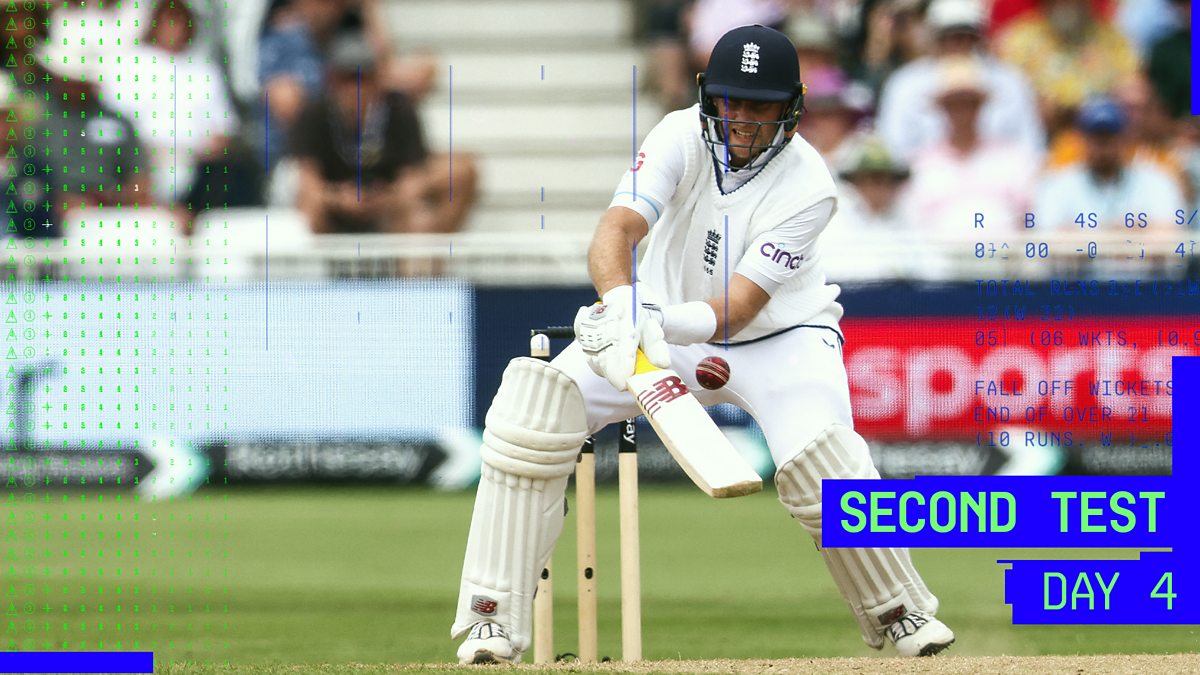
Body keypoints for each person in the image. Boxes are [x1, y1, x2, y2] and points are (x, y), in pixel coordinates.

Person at [451, 24, 955, 664]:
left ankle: (901, 611)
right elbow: (615, 230)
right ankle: (491, 619)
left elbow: (740, 309)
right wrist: (622, 304)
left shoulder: (810, 186)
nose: (740, 119)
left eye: (759, 107)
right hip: (654, 327)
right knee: (534, 407)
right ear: (707, 95)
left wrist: (654, 321)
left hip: (783, 341)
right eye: (730, 101)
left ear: (792, 109)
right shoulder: (677, 134)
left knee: (824, 464)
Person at [292, 35, 434, 234]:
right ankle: (317, 254)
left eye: (364, 78)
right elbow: (308, 179)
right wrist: (338, 199)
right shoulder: (314, 113)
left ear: (378, 81)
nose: (355, 88)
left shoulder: (400, 109)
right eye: (346, 78)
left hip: (386, 203)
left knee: (416, 206)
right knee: (310, 205)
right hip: (334, 203)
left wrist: (385, 199)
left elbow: (412, 178)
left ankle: (414, 255)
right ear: (331, 81)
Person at [875, 0, 1044, 163]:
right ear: (934, 39)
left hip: (1000, 175)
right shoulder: (905, 84)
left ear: (978, 37)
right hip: (927, 177)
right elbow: (892, 148)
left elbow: (1030, 146)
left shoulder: (1009, 81)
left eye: (965, 35)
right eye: (948, 36)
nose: (957, 43)